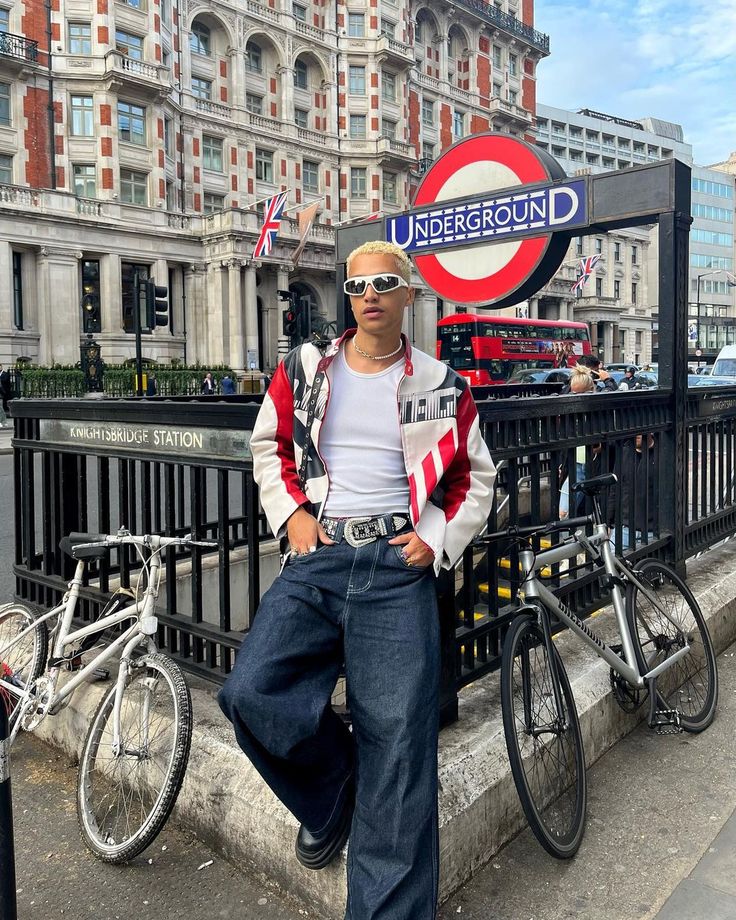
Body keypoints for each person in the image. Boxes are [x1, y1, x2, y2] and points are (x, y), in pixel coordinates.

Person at [218, 240, 496, 920]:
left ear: (408, 295)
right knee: (252, 692)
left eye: (383, 283)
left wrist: (433, 540)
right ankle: (337, 788)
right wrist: (292, 516)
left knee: (400, 749)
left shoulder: (442, 384)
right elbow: (269, 447)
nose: (369, 294)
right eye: (357, 285)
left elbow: (476, 478)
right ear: (349, 297)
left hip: (396, 567)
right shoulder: (306, 369)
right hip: (319, 557)